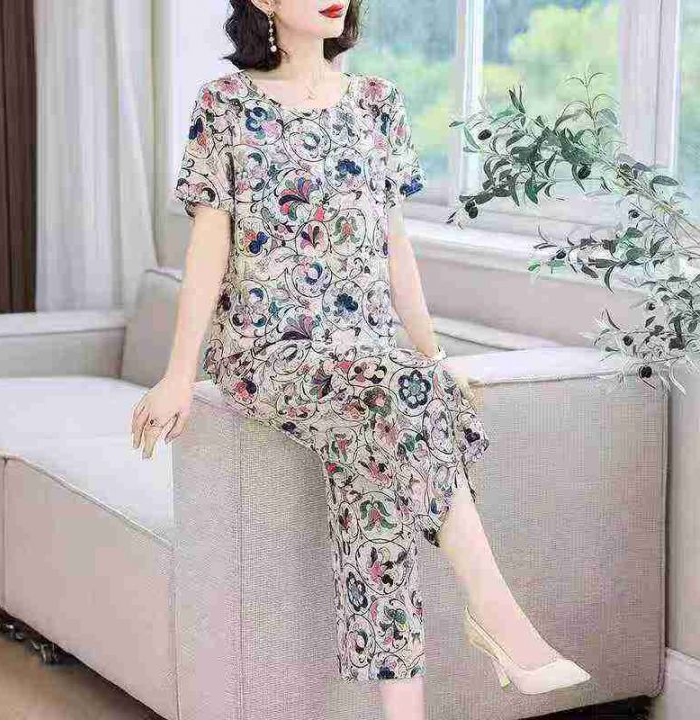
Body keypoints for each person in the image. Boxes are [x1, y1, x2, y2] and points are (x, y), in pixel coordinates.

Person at [130, 0, 590, 716]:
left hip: (369, 358)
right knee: (400, 395)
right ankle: (496, 612)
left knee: (374, 491)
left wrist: (432, 357)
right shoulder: (225, 105)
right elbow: (208, 249)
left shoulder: (379, 102)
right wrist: (179, 374)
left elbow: (394, 245)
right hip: (269, 352)